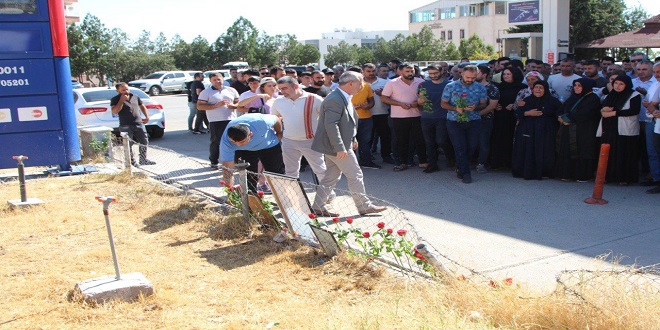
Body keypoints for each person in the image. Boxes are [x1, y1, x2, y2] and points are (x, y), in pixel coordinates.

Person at [311, 71, 387, 217]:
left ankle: (318, 206)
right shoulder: (335, 99)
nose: (362, 85)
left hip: (335, 145)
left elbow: (347, 122)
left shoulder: (342, 96)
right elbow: (331, 125)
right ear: (350, 83)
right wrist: (340, 147)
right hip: (336, 146)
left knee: (331, 176)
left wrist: (352, 138)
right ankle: (364, 206)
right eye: (360, 82)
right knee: (355, 174)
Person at [270, 76, 327, 180]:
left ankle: (328, 194)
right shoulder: (278, 101)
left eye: (284, 88)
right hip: (288, 141)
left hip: (311, 141)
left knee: (320, 169)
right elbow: (274, 118)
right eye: (280, 89)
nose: (282, 91)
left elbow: (326, 118)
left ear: (295, 86)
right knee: (290, 172)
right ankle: (293, 195)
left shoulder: (314, 99)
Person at [441, 65, 488, 183]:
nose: (470, 80)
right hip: (454, 121)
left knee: (471, 147)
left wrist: (475, 107)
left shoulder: (480, 87)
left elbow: (483, 104)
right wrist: (455, 108)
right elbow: (443, 104)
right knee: (460, 147)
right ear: (461, 73)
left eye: (473, 77)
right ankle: (466, 173)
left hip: (474, 120)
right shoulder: (451, 86)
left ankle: (460, 167)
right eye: (468, 77)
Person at [220, 114, 285, 193]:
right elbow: (227, 168)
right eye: (234, 142)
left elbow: (276, 119)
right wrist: (229, 193)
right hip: (245, 151)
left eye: (242, 141)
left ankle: (282, 198)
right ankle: (251, 199)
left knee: (276, 174)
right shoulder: (227, 141)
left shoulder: (262, 122)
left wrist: (279, 133)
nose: (238, 145)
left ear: (250, 134)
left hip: (269, 146)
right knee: (248, 176)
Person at [597, 74, 642, 185]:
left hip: (625, 129)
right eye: (616, 83)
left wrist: (613, 113)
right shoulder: (611, 94)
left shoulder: (634, 95)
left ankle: (624, 178)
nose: (617, 86)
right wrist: (604, 109)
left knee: (624, 152)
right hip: (609, 128)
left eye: (621, 84)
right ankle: (609, 176)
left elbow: (634, 110)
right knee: (610, 152)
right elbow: (603, 107)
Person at [511, 80, 561, 180]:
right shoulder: (526, 100)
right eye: (536, 87)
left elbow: (558, 113)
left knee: (545, 150)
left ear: (545, 89)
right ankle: (526, 171)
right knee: (527, 150)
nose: (538, 90)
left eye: (541, 88)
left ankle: (544, 172)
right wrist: (528, 113)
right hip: (528, 131)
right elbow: (517, 113)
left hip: (546, 131)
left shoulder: (553, 101)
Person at [381, 63, 427, 171]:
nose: (410, 73)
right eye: (407, 71)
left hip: (417, 115)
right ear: (400, 72)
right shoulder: (392, 83)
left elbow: (426, 98)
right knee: (401, 140)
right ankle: (402, 162)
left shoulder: (421, 82)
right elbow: (384, 98)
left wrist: (418, 103)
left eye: (412, 71)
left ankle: (423, 161)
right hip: (399, 117)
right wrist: (400, 104)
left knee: (420, 139)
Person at [555, 78, 602, 182]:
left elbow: (585, 113)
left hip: (584, 131)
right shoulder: (573, 97)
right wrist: (561, 118)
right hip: (568, 129)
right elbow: (561, 109)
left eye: (579, 85)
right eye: (575, 85)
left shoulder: (592, 98)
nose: (576, 87)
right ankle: (567, 173)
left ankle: (582, 175)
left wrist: (569, 119)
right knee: (567, 149)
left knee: (582, 151)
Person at [197, 73, 240, 169]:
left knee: (235, 140)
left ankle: (236, 161)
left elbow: (239, 103)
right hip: (215, 121)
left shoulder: (231, 90)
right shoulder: (206, 92)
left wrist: (233, 106)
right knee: (216, 141)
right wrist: (215, 106)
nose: (217, 81)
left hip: (231, 119)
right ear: (210, 81)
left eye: (219, 79)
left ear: (223, 79)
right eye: (214, 80)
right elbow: (199, 106)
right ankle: (214, 161)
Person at [110, 82, 156, 166]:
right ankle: (131, 161)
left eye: (126, 88)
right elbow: (115, 111)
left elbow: (142, 106)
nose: (125, 89)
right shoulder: (115, 99)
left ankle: (143, 159)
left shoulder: (135, 96)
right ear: (118, 90)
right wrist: (121, 100)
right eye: (122, 88)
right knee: (128, 144)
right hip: (125, 125)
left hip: (138, 123)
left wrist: (147, 116)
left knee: (144, 141)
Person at [416, 65, 451, 173]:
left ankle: (452, 160)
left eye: (435, 73)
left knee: (442, 140)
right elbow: (419, 102)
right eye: (430, 74)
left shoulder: (448, 84)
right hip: (427, 117)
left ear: (441, 71)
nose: (433, 76)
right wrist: (419, 102)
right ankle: (432, 164)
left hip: (443, 117)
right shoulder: (423, 85)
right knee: (429, 142)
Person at [491, 67, 526, 170]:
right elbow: (493, 99)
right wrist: (495, 105)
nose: (505, 76)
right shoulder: (499, 86)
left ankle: (511, 163)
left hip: (513, 116)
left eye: (508, 74)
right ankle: (498, 162)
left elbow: (524, 100)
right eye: (504, 74)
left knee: (512, 138)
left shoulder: (521, 87)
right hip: (500, 116)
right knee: (499, 138)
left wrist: (515, 105)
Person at [632, 60, 659, 186]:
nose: (657, 75)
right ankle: (655, 178)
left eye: (658, 72)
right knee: (651, 151)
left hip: (655, 120)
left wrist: (653, 107)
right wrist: (649, 105)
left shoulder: (653, 83)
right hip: (648, 120)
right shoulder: (655, 85)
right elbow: (650, 102)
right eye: (655, 72)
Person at [346, 66, 378, 168]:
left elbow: (371, 101)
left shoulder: (366, 87)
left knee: (365, 141)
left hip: (366, 118)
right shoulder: (344, 87)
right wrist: (354, 107)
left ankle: (366, 161)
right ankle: (352, 164)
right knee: (350, 141)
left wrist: (368, 106)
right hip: (349, 118)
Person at [365, 63, 393, 164]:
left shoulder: (384, 82)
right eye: (368, 71)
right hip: (366, 114)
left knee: (385, 136)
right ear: (363, 72)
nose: (371, 73)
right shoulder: (359, 83)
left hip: (382, 113)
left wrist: (383, 95)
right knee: (368, 137)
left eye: (373, 71)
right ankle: (367, 157)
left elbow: (392, 97)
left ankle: (386, 156)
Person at [475, 65, 500, 174]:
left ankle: (481, 163)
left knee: (483, 142)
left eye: (477, 72)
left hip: (485, 120)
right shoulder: (470, 86)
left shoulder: (492, 88)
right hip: (469, 119)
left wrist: (477, 114)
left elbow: (492, 106)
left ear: (484, 75)